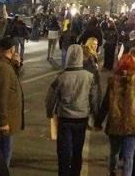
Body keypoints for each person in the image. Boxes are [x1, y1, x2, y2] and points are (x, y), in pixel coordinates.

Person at [46, 44, 99, 176]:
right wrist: (95, 115)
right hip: (81, 119)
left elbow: (50, 97)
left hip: (65, 118)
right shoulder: (89, 77)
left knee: (63, 151)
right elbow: (94, 98)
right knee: (77, 151)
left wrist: (50, 112)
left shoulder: (61, 77)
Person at [94, 54, 135, 176]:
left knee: (114, 152)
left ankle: (112, 172)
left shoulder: (113, 81)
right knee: (129, 156)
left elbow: (105, 104)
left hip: (115, 123)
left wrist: (98, 122)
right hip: (132, 125)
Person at [0, 36, 24, 168]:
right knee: (3, 156)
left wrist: (16, 65)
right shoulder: (3, 68)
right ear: (11, 50)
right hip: (4, 124)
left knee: (1, 154)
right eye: (15, 50)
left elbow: (12, 82)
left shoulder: (4, 65)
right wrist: (3, 123)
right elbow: (0, 98)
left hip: (4, 121)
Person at [82, 37, 102, 106]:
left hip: (90, 78)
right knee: (94, 98)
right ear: (89, 44)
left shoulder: (91, 53)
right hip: (92, 79)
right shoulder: (90, 55)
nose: (96, 46)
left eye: (96, 44)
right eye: (94, 44)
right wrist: (95, 67)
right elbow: (90, 68)